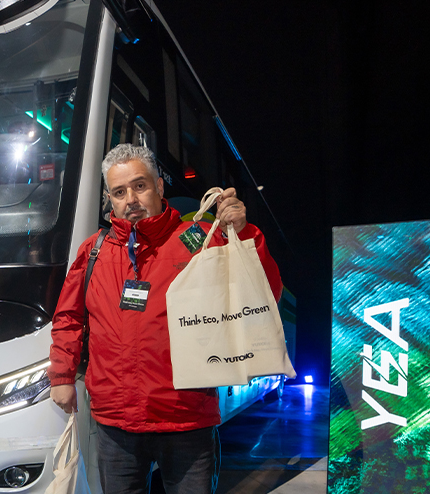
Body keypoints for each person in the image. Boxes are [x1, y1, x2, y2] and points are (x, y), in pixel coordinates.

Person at [48, 144, 283, 494]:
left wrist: (244, 232)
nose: (131, 199)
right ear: (110, 200)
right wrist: (62, 376)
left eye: (139, 186)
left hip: (185, 418)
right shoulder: (94, 251)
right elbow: (68, 317)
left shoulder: (202, 240)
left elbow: (265, 294)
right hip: (117, 423)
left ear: (159, 187)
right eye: (119, 192)